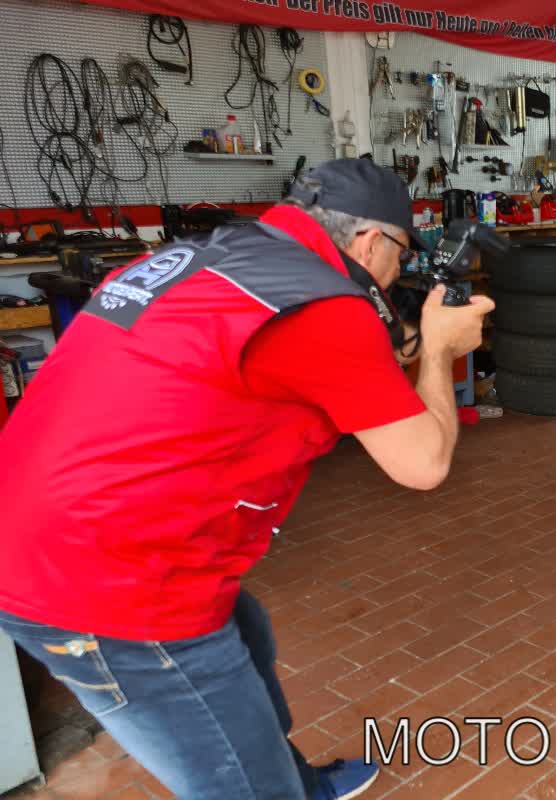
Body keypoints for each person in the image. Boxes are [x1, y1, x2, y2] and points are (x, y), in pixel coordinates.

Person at [0, 158, 494, 799]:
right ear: (370, 241)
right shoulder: (323, 308)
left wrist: (412, 334)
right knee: (239, 779)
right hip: (109, 577)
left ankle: (291, 777)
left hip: (51, 523)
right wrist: (441, 350)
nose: (400, 270)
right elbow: (423, 464)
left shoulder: (206, 258)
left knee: (247, 635)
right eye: (402, 253)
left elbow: (337, 353)